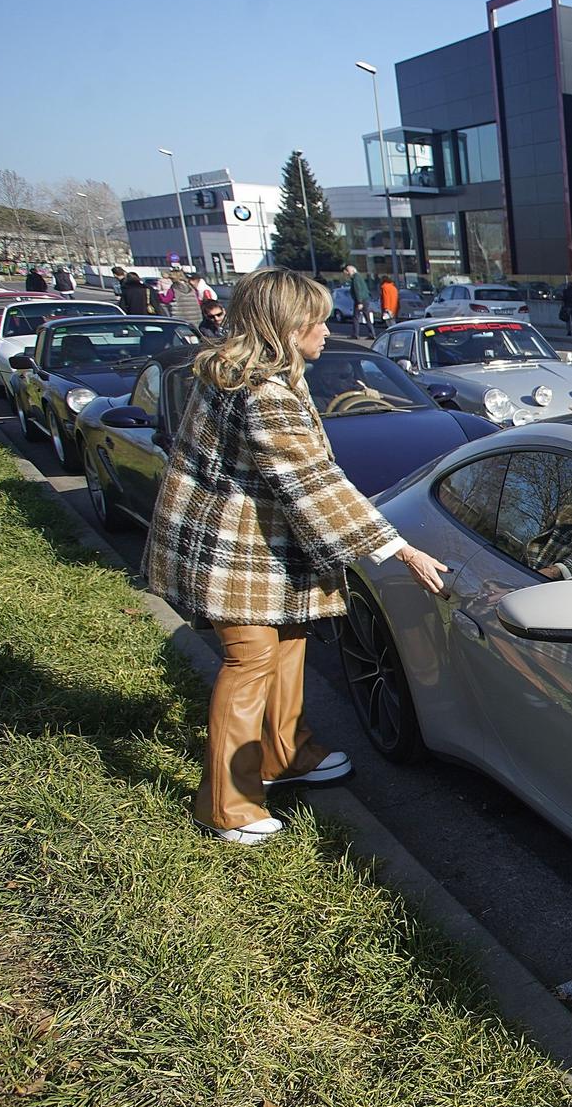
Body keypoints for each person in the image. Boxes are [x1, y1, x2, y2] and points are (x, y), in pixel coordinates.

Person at [140, 268, 449, 845]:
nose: (328, 331)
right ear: (287, 327)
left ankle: (287, 755)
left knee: (288, 646)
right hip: (236, 554)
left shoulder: (253, 375)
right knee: (249, 663)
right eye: (319, 321)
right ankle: (227, 802)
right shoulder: (263, 393)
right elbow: (311, 482)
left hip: (260, 549)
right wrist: (397, 547)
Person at [344, 265, 375, 339]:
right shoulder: (358, 277)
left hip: (361, 300)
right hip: (365, 299)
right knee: (367, 317)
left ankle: (355, 334)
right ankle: (372, 334)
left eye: (348, 271)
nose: (347, 273)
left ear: (352, 271)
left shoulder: (356, 278)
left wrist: (359, 302)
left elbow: (358, 290)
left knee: (356, 317)